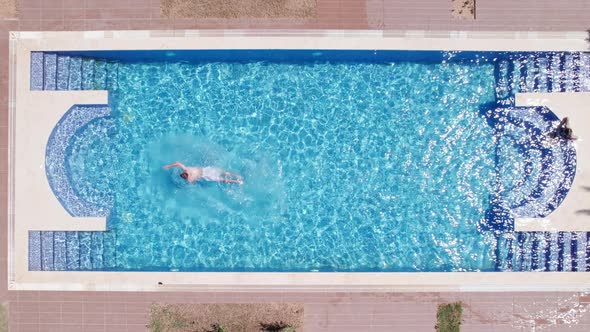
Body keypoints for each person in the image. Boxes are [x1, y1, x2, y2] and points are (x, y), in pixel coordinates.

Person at [163, 161, 243, 184]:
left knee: (222, 176)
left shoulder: (188, 176)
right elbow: (178, 163)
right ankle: (237, 179)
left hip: (206, 173)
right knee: (223, 175)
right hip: (206, 173)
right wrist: (168, 166)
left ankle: (237, 179)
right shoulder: (187, 171)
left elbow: (177, 163)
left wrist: (168, 166)